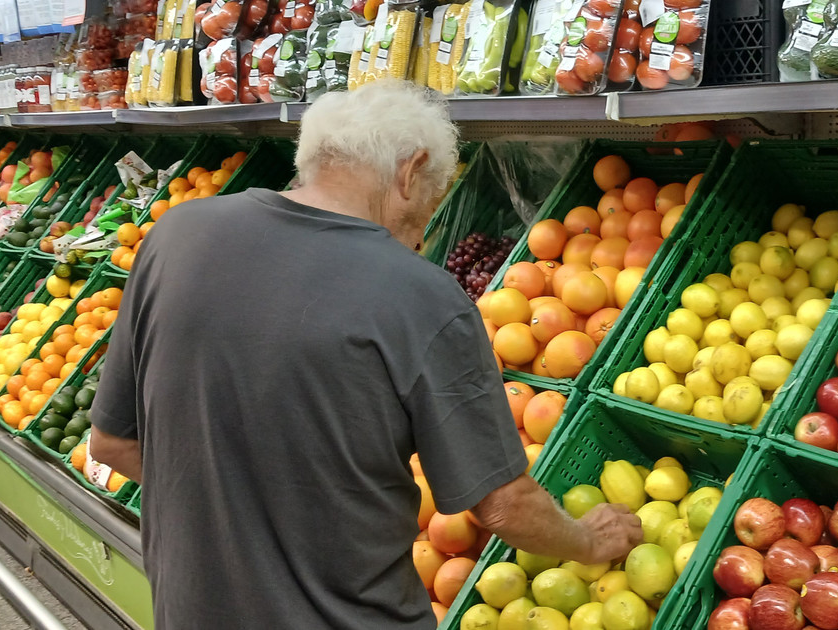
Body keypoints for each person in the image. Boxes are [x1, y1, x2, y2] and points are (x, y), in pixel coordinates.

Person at [89, 80, 643, 629]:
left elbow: (112, 442)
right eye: (434, 194)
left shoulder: (177, 234)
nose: (426, 226)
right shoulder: (420, 296)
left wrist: (240, 506)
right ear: (411, 171)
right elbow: (502, 505)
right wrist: (588, 541)